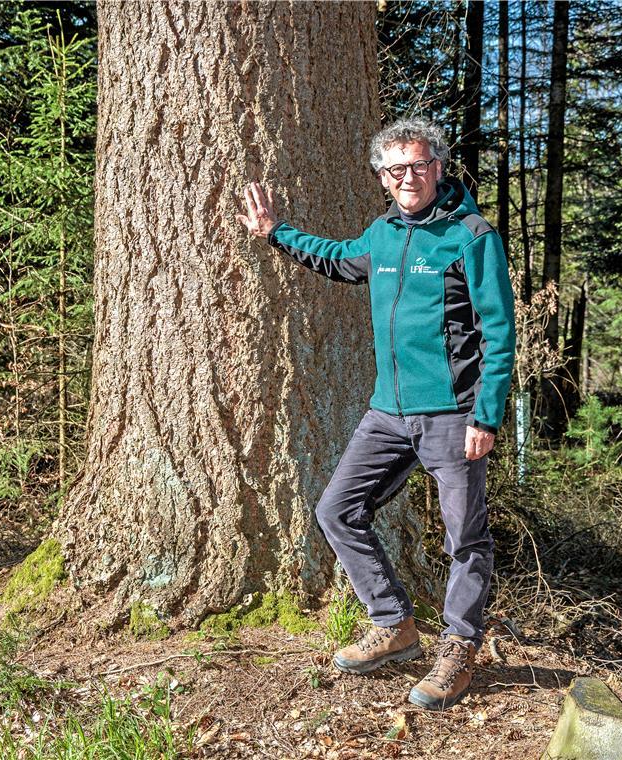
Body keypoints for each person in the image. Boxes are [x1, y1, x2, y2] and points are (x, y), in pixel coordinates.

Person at [235, 117, 516, 710]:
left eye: (418, 165)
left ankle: (459, 648)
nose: (408, 177)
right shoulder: (383, 234)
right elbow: (337, 257)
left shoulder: (470, 235)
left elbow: (499, 330)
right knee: (337, 509)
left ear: (438, 167)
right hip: (386, 414)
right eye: (395, 170)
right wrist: (275, 233)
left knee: (465, 539)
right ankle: (394, 624)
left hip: (453, 416)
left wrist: (485, 417)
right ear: (383, 179)